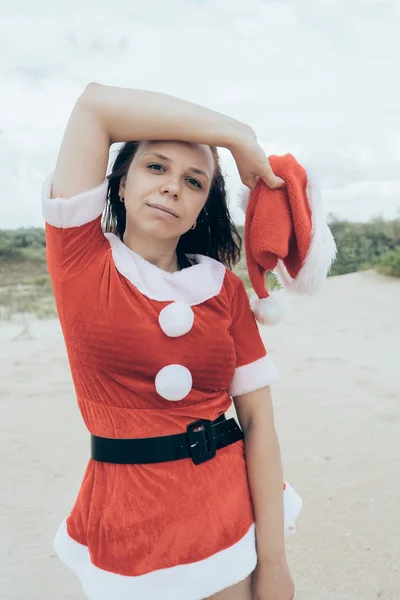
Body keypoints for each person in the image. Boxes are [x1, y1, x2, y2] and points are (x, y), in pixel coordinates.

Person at [42, 82, 300, 600]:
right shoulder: (80, 261)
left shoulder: (223, 290)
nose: (172, 187)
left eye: (194, 181)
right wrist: (235, 136)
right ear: (119, 183)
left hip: (227, 518)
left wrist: (272, 562)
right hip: (126, 521)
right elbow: (94, 106)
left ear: (203, 205)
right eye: (155, 167)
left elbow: (257, 423)